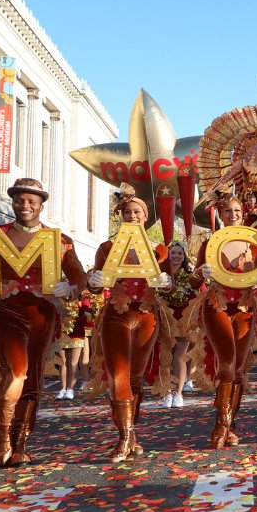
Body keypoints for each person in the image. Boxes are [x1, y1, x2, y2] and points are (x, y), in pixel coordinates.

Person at [0, 178, 87, 466]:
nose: (25, 205)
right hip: (7, 312)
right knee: (15, 373)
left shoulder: (59, 241)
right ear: (14, 203)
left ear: (41, 205)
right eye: (20, 200)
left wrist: (70, 288)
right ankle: (2, 439)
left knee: (32, 380)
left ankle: (20, 442)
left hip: (43, 316)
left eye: (31, 201)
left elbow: (79, 277)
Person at [87, 184, 173, 461]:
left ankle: (131, 434)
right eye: (127, 212)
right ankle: (124, 439)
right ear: (121, 216)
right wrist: (94, 281)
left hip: (147, 315)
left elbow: (170, 286)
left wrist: (167, 282)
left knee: (135, 378)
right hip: (116, 314)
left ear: (145, 216)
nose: (132, 216)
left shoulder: (159, 250)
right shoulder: (108, 247)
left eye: (137, 211)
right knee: (118, 375)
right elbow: (97, 284)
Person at [187, 195, 257, 447]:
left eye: (237, 210)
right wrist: (198, 273)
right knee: (226, 363)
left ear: (243, 213)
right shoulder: (210, 242)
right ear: (220, 214)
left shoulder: (255, 243)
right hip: (217, 305)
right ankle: (222, 425)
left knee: (238, 370)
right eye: (227, 210)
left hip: (245, 308)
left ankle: (230, 424)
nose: (233, 214)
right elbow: (194, 282)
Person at [159, 242, 198, 408]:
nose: (175, 256)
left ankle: (179, 393)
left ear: (184, 257)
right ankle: (167, 393)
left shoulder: (189, 274)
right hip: (164, 319)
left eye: (179, 253)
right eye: (173, 253)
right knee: (166, 358)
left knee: (179, 357)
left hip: (184, 319)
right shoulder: (160, 273)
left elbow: (195, 293)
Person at [56, 292, 92, 400]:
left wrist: (74, 317)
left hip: (76, 335)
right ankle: (63, 389)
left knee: (73, 363)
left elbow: (88, 318)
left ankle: (70, 389)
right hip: (62, 334)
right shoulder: (58, 301)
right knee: (62, 362)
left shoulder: (82, 301)